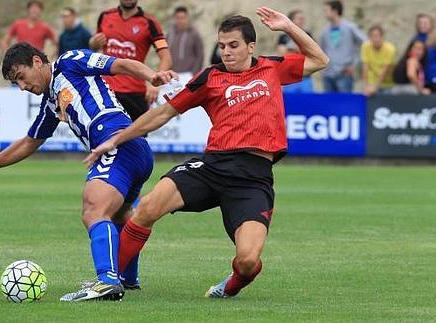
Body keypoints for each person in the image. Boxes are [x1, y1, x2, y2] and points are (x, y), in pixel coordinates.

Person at [85, 7, 328, 298]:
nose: (226, 52)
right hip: (212, 166)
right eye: (222, 46)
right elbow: (164, 113)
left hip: (253, 178)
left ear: (251, 46)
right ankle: (110, 281)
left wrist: (288, 26)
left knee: (248, 262)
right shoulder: (209, 77)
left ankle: (228, 288)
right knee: (147, 207)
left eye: (234, 45)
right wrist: (117, 139)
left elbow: (319, 60)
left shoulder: (271, 67)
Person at [0, 42, 176, 302]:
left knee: (94, 207)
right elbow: (27, 143)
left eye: (21, 77)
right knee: (120, 214)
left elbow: (119, 65)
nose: (22, 87)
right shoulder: (50, 102)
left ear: (37, 61)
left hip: (118, 142)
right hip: (133, 151)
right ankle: (126, 277)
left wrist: (151, 76)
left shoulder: (69, 62)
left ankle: (107, 281)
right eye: (16, 84)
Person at [90, 0, 172, 121]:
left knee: (136, 138)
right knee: (103, 137)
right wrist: (93, 43)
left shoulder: (149, 22)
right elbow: (94, 46)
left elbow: (166, 57)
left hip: (134, 93)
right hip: (105, 90)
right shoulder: (105, 16)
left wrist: (155, 84)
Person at [319, 0, 366, 93]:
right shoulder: (325, 31)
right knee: (330, 105)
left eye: (326, 10)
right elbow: (322, 50)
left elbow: (366, 44)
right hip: (328, 75)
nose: (325, 14)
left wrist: (354, 64)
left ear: (335, 11)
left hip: (344, 74)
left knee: (344, 105)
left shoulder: (350, 27)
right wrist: (323, 70)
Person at [276, 9, 313, 93]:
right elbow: (282, 53)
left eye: (303, 19)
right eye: (299, 18)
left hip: (305, 75)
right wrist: (300, 49)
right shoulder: (284, 36)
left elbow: (312, 54)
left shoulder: (308, 35)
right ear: (291, 20)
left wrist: (291, 49)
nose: (302, 21)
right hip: (290, 76)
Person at [166, 6, 204, 76]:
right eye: (178, 18)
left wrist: (194, 73)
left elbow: (200, 55)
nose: (180, 20)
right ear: (174, 18)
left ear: (187, 18)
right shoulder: (170, 34)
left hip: (188, 74)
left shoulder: (194, 33)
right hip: (171, 73)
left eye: (183, 18)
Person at [360, 25, 396, 96]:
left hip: (386, 84)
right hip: (371, 83)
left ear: (382, 36)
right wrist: (366, 86)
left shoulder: (390, 49)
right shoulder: (365, 46)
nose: (375, 39)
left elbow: (384, 71)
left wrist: (375, 88)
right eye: (372, 36)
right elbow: (365, 67)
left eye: (377, 36)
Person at [412, 14, 436, 93]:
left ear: (431, 24)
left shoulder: (433, 38)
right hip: (423, 79)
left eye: (425, 23)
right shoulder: (416, 39)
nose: (423, 25)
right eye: (420, 23)